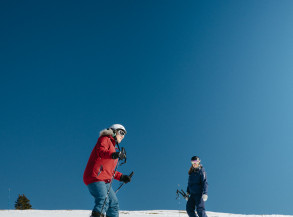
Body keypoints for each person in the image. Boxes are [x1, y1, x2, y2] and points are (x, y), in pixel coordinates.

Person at [83, 124, 132, 217]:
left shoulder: (114, 148)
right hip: (96, 176)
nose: (122, 136)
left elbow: (109, 170)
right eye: (121, 132)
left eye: (124, 134)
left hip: (105, 180)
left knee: (113, 204)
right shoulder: (105, 139)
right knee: (103, 200)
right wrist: (115, 154)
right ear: (113, 131)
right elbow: (101, 151)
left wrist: (122, 177)